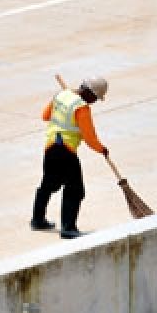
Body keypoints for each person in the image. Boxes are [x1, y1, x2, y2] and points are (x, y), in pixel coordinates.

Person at [31, 76, 109, 239]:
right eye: (95, 98)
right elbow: (89, 138)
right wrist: (102, 149)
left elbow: (45, 116)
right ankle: (68, 228)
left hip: (51, 147)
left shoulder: (61, 96)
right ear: (89, 93)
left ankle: (37, 220)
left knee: (48, 184)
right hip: (66, 151)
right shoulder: (81, 108)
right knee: (75, 189)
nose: (94, 101)